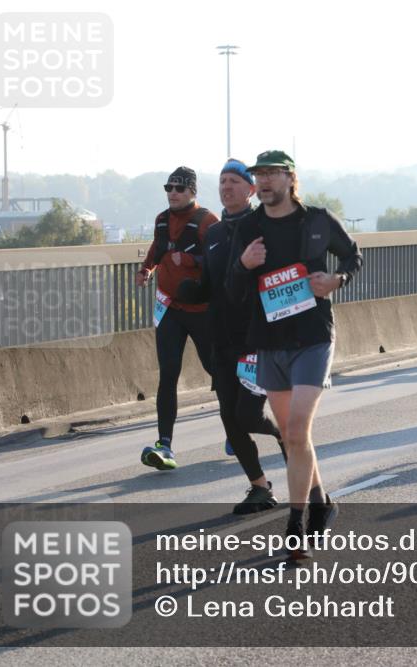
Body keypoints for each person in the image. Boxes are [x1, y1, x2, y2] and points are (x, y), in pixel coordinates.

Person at [226, 150, 362, 561]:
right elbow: (232, 289)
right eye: (259, 175)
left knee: (299, 429)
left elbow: (353, 255)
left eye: (272, 173)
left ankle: (295, 525)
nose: (264, 181)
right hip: (269, 341)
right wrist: (244, 264)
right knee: (291, 435)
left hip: (313, 337)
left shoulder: (317, 220)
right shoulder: (249, 227)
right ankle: (321, 502)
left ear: (290, 178)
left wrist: (338, 279)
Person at [177, 159, 286, 513]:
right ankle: (259, 487)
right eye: (223, 181)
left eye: (235, 181)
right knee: (229, 417)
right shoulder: (214, 234)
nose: (226, 187)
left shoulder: (263, 228)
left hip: (257, 340)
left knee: (249, 415)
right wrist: (192, 290)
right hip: (221, 340)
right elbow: (211, 285)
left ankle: (286, 434)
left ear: (251, 189)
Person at [136, 167, 218, 470]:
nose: (173, 193)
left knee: (216, 370)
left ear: (192, 192)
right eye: (168, 188)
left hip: (201, 310)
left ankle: (236, 430)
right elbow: (158, 250)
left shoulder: (208, 222)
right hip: (170, 308)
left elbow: (219, 260)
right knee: (168, 374)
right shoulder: (161, 220)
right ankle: (165, 445)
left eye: (179, 189)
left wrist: (192, 260)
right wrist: (146, 270)